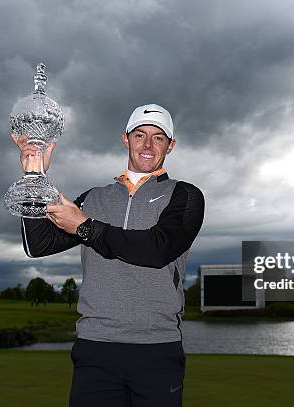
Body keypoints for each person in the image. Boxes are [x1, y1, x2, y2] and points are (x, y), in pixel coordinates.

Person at [12, 103, 205, 407]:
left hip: (157, 347)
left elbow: (158, 249)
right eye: (139, 135)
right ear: (125, 139)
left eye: (158, 138)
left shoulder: (185, 195)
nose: (147, 145)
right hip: (95, 346)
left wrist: (85, 228)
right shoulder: (93, 198)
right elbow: (38, 245)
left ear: (171, 145)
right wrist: (34, 176)